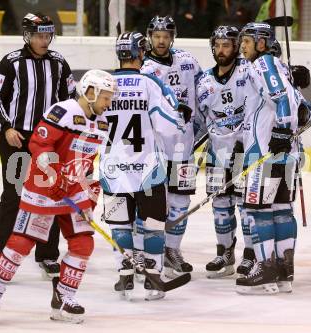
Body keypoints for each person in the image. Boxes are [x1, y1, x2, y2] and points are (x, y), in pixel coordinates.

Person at [0, 69, 116, 323]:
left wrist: (89, 192)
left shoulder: (102, 123)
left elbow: (86, 162)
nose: (109, 103)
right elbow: (39, 144)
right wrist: (53, 174)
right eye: (105, 97)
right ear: (90, 92)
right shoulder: (63, 111)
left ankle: (64, 298)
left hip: (73, 190)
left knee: (83, 242)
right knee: (22, 242)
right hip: (43, 187)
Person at [0, 12, 76, 278]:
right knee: (13, 195)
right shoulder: (11, 62)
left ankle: (47, 254)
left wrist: (68, 133)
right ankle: (0, 252)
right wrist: (6, 127)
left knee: (51, 195)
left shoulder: (59, 63)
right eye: (39, 35)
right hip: (17, 139)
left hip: (49, 142)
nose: (44, 40)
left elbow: (71, 99)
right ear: (27, 36)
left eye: (48, 35)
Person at [100, 31, 189, 301]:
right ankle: (152, 279)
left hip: (112, 171)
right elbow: (168, 127)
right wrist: (180, 118)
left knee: (120, 226)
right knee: (152, 225)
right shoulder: (150, 83)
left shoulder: (102, 84)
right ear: (141, 52)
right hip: (147, 171)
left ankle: (125, 275)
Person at [237, 22, 311, 294]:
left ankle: (266, 268)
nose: (242, 45)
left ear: (261, 42)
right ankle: (284, 270)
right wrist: (289, 127)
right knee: (281, 210)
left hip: (265, 153)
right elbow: (305, 109)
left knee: (257, 211)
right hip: (287, 155)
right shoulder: (281, 68)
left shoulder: (263, 64)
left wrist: (281, 130)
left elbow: (282, 99)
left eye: (247, 40)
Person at [140, 15, 203, 279]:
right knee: (153, 203)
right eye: (157, 36)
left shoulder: (188, 62)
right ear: (150, 37)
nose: (161, 40)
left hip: (184, 147)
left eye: (166, 36)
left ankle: (173, 250)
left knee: (180, 200)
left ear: (172, 37)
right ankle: (147, 251)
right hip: (154, 150)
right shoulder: (142, 69)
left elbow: (204, 89)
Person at [195, 25, 260, 279]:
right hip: (217, 153)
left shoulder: (249, 71)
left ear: (236, 47)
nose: (222, 50)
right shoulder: (204, 80)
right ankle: (225, 253)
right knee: (220, 205)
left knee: (246, 206)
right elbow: (200, 120)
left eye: (227, 45)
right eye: (218, 45)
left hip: (244, 151)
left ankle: (250, 256)